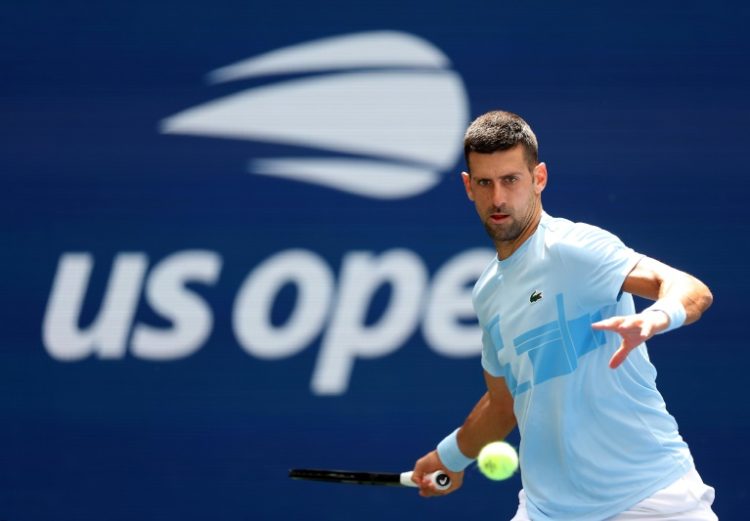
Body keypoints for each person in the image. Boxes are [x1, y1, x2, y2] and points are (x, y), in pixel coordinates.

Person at [411, 111, 717, 520]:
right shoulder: (488, 292)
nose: (498, 198)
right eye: (485, 183)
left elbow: (692, 290)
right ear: (469, 187)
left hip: (650, 499)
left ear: (538, 178)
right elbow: (504, 404)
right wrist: (449, 457)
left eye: (511, 180)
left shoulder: (575, 249)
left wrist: (656, 318)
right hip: (548, 510)